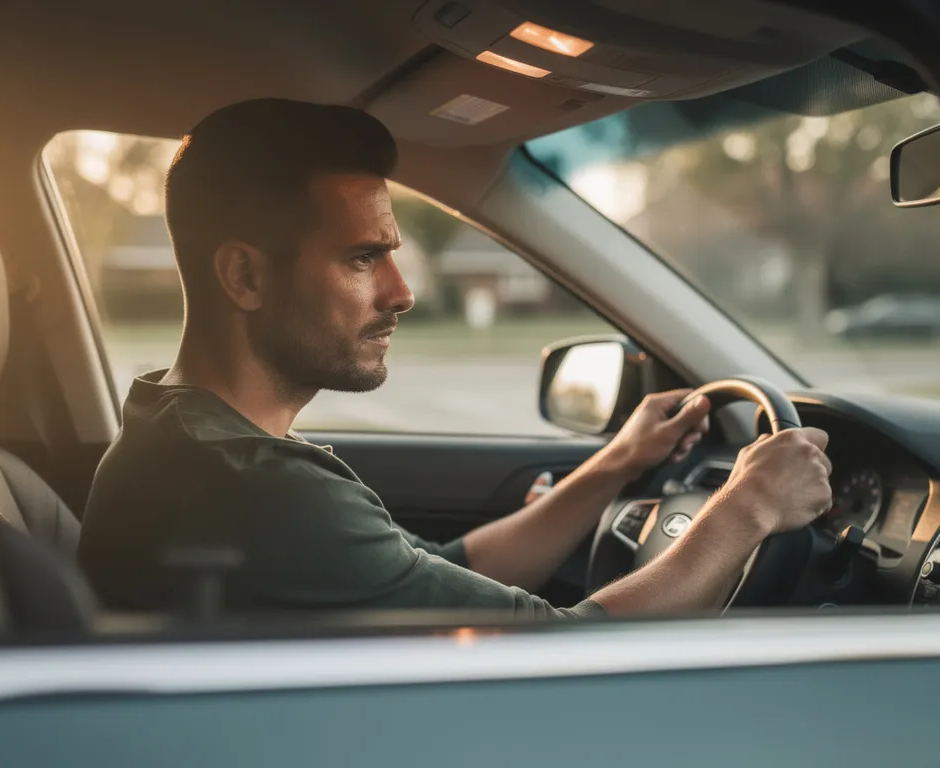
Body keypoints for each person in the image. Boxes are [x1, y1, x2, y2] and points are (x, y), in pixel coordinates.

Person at [79, 98, 833, 618]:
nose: (403, 292)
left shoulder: (185, 432)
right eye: (362, 258)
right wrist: (749, 508)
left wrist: (615, 465)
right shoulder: (249, 488)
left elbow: (445, 573)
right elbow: (568, 655)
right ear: (244, 275)